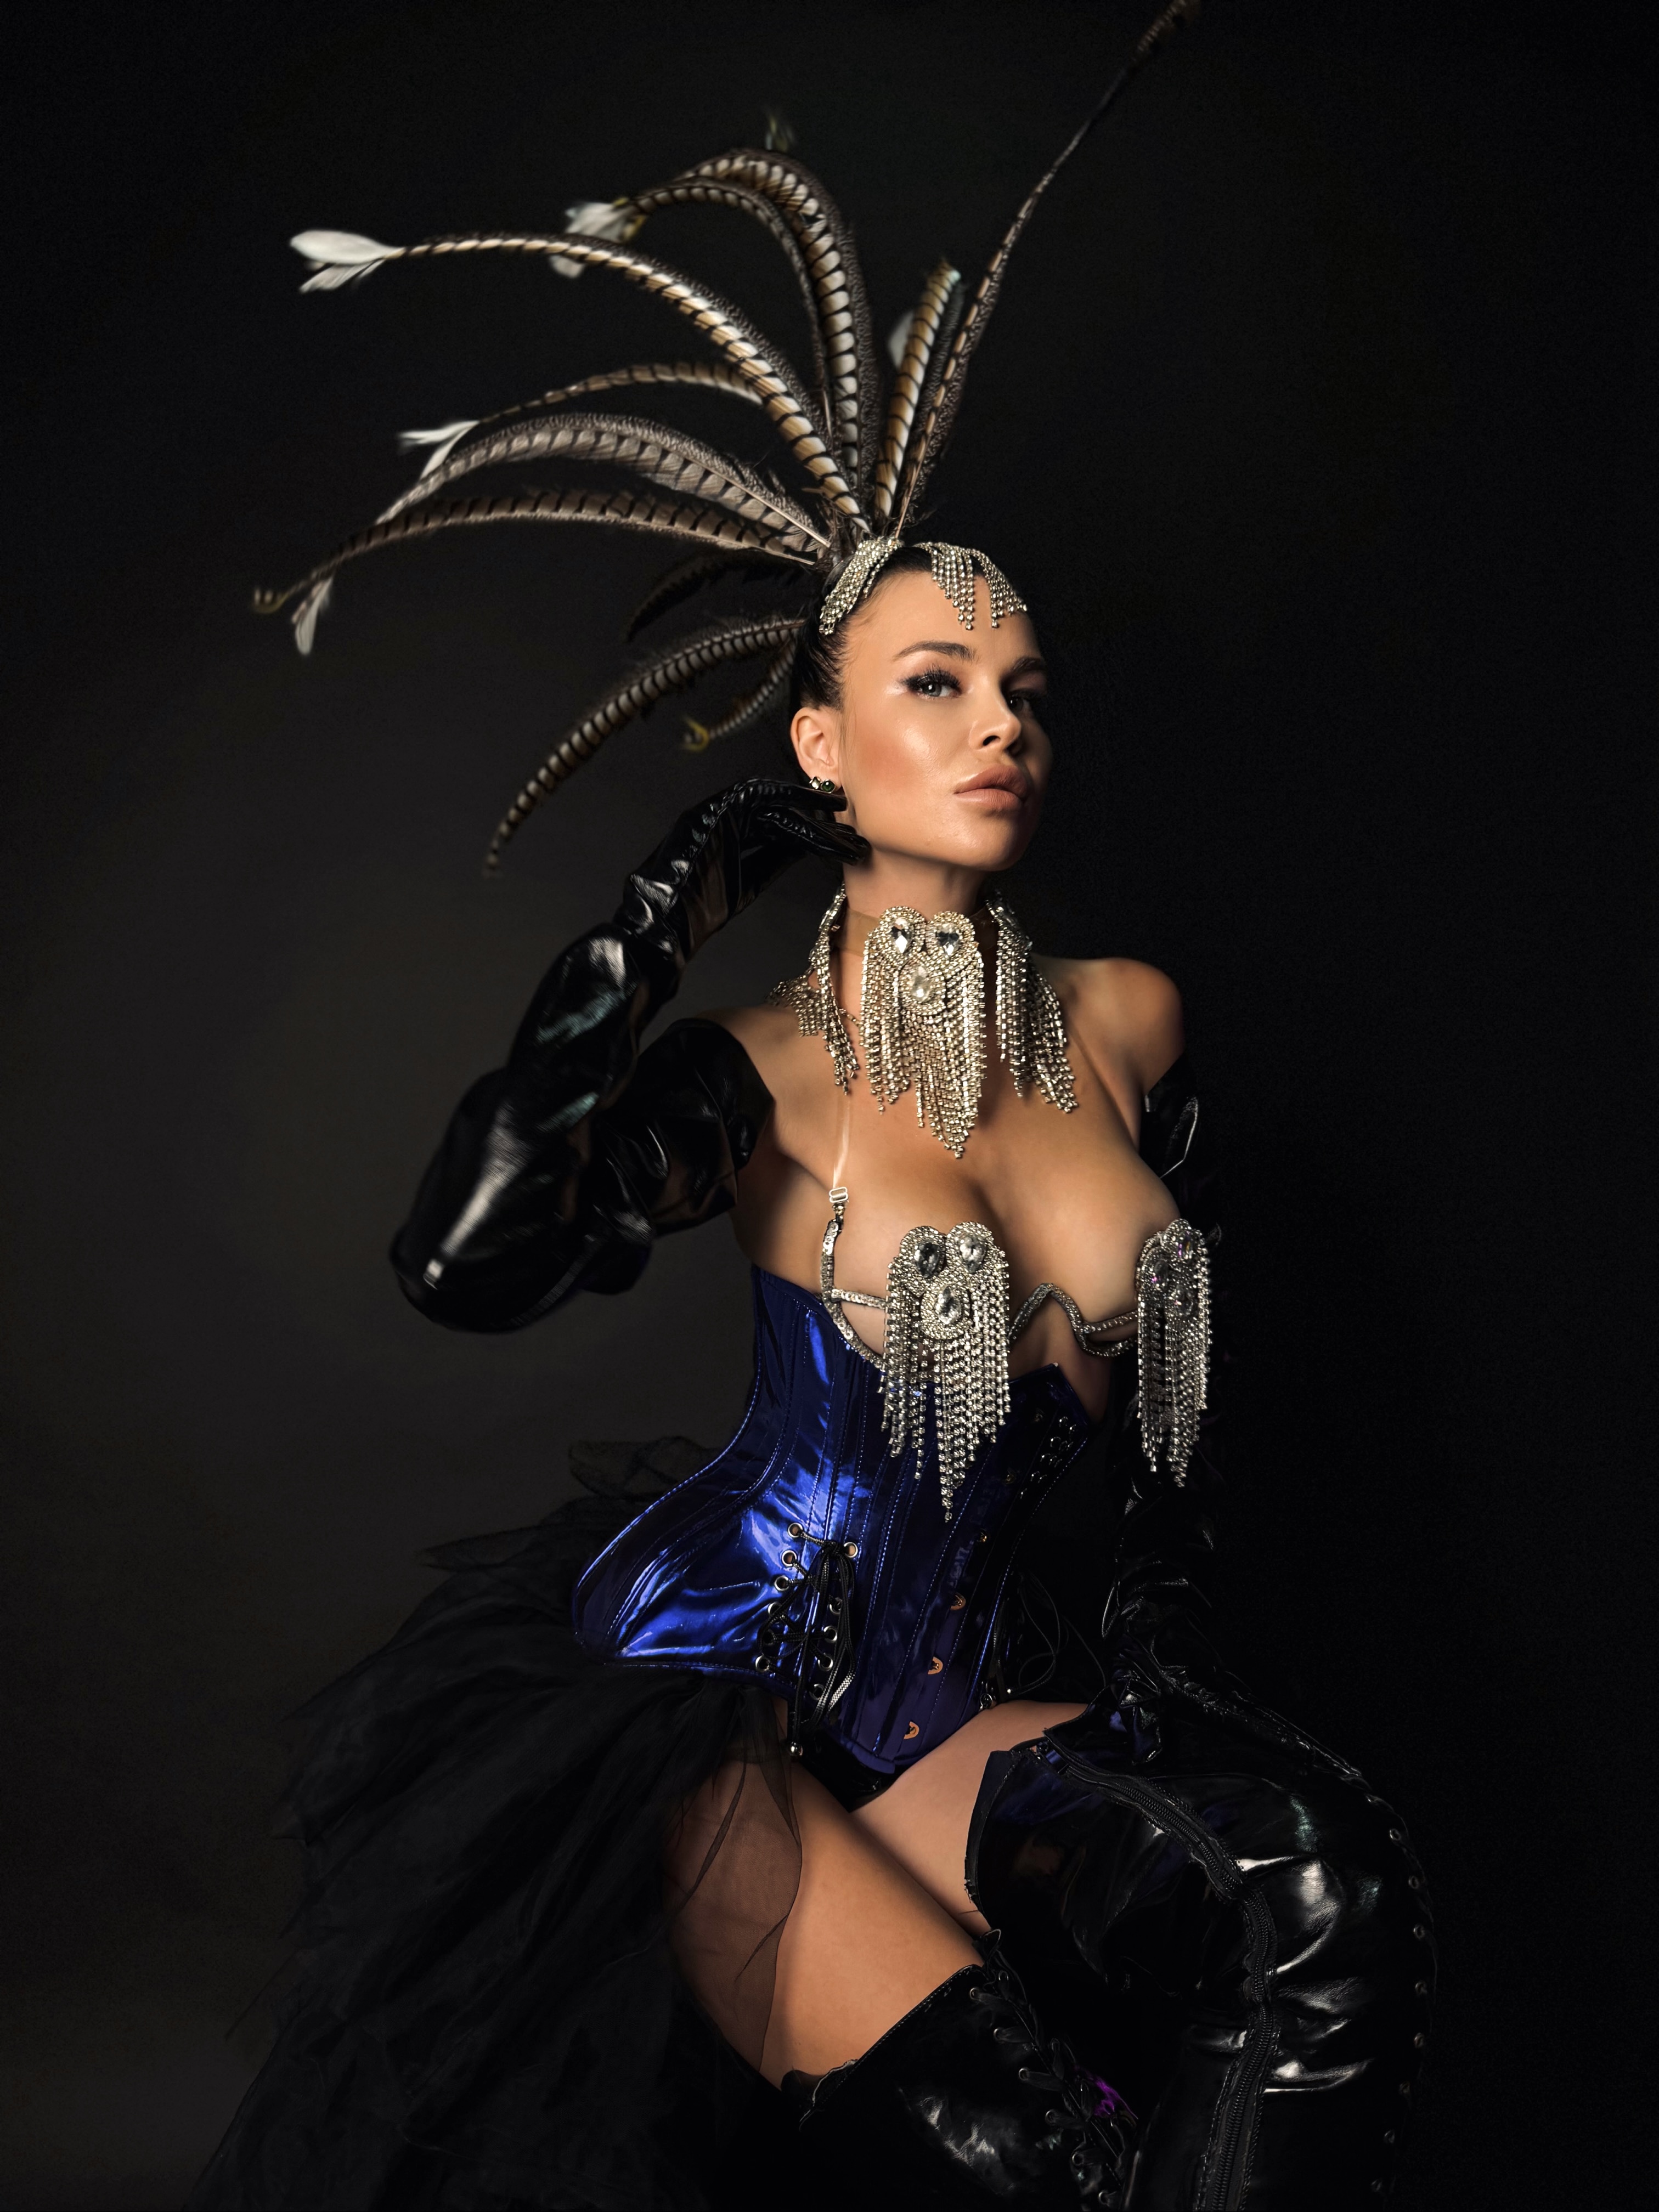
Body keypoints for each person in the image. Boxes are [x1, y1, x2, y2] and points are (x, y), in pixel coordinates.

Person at [193, 10, 1434, 2205]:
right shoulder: (761, 1075)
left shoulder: (1126, 1019)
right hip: (709, 1710)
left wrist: (1156, 1623)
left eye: (1022, 688)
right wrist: (654, 918)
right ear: (822, 751)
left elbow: (1169, 1403)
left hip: (961, 1703)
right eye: (934, 686)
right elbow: (470, 1260)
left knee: (1312, 1894)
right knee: (1010, 2147)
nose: (1001, 725)